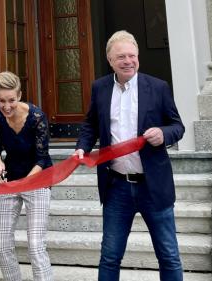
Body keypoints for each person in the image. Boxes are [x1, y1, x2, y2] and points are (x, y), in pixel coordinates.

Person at [75, 30, 185, 281]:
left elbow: (177, 126)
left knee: (168, 255)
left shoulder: (158, 87)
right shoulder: (100, 88)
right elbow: (91, 124)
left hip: (153, 186)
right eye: (121, 56)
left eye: (132, 55)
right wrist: (82, 146)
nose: (128, 61)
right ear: (110, 60)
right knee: (110, 257)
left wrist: (163, 134)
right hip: (117, 187)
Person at [0, 71, 53, 281]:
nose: (6, 106)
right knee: (2, 244)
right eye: (1, 101)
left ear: (20, 95)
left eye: (11, 100)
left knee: (35, 245)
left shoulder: (37, 117)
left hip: (38, 179)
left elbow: (42, 158)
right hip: (11, 179)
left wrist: (27, 182)